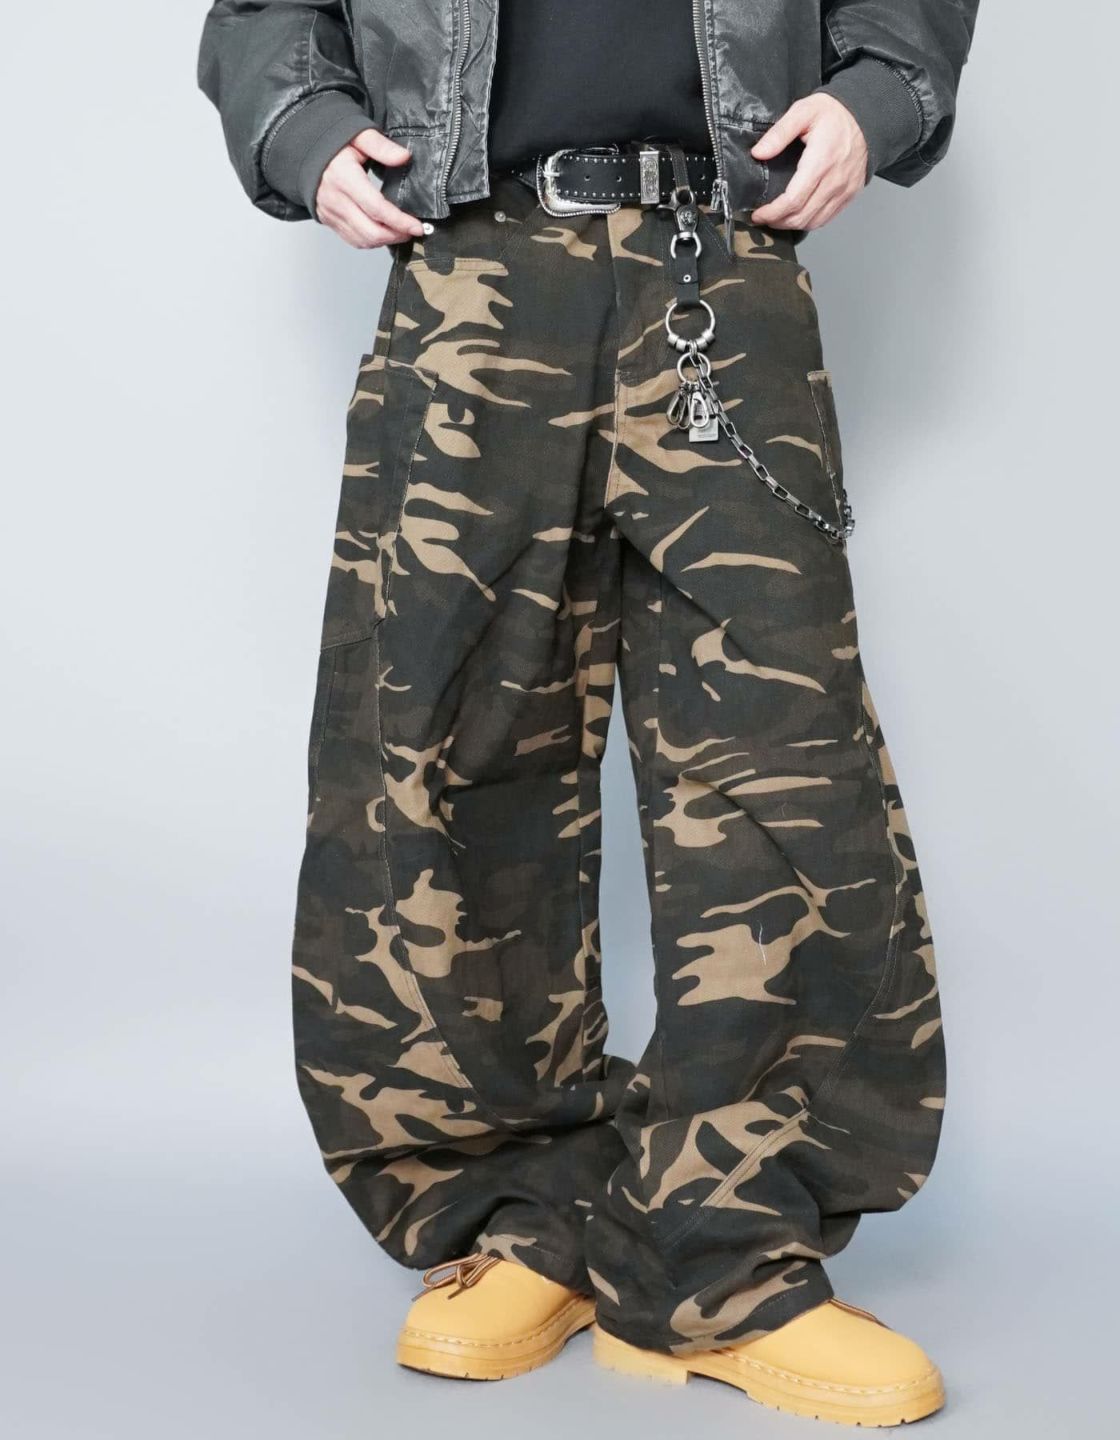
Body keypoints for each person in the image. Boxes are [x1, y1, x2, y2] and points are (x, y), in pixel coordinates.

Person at [198, 1, 977, 1426]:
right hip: (469, 262)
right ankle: (520, 1215)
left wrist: (882, 94)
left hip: (722, 260)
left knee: (781, 767)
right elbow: (263, 11)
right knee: (440, 747)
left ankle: (726, 1256)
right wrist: (300, 127)